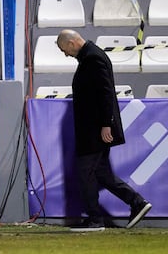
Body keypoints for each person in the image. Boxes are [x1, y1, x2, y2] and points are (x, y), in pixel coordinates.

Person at [56, 29, 152, 232]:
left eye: (65, 50)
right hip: (94, 128)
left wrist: (106, 124)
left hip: (95, 129)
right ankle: (137, 202)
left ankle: (94, 219)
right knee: (102, 173)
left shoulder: (92, 58)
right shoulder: (90, 56)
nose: (66, 54)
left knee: (85, 172)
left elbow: (106, 92)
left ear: (72, 43)